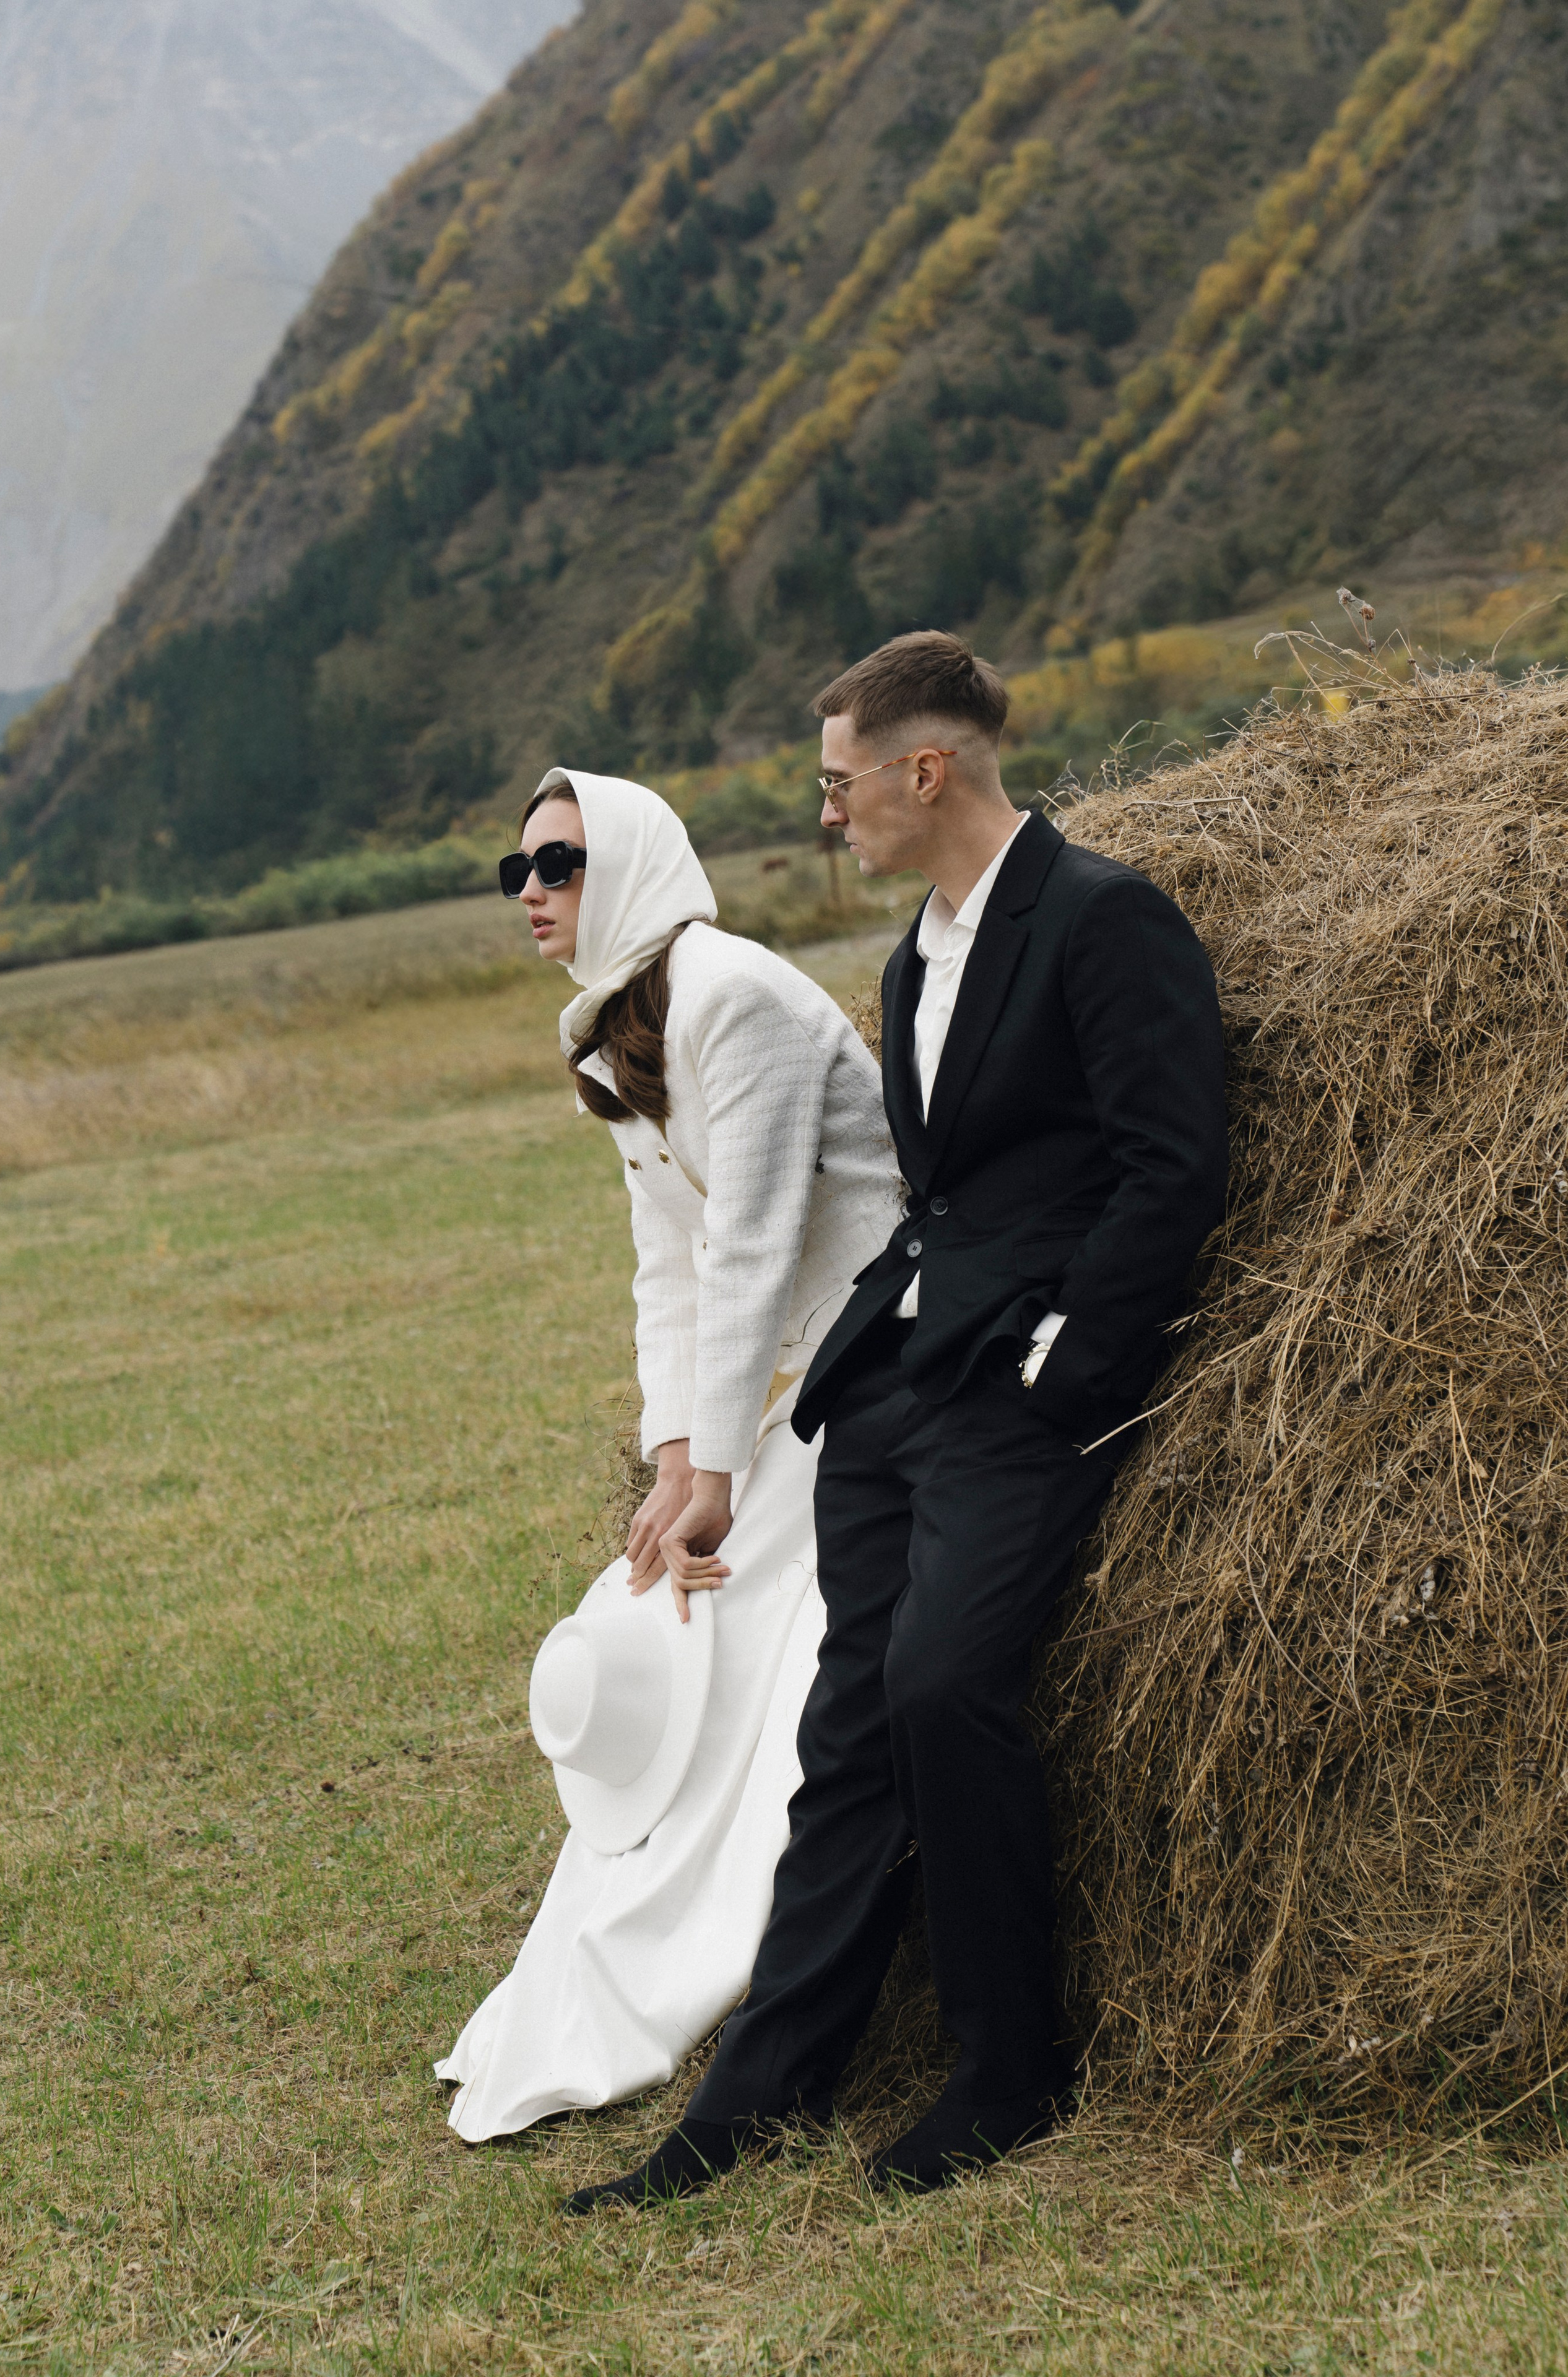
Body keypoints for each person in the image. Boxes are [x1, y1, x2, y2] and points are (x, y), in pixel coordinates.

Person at [566, 632, 1229, 2210]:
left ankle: (1010, 2069)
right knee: (847, 1728)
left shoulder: (1103, 918)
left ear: (922, 770)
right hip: (894, 1384)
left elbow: (1171, 1166)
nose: (825, 813)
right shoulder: (911, 959)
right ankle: (760, 2092)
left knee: (942, 1683)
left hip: (1021, 1386)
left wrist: (1063, 1358)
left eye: (837, 781)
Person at [435, 768, 901, 2141]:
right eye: (517, 871)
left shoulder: (731, 995)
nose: (532, 892)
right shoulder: (617, 1026)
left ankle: (692, 1957)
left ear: (631, 862)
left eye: (560, 863)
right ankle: (600, 1957)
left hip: (871, 1354)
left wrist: (722, 1482)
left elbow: (751, 1242)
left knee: (743, 1622)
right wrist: (674, 1456)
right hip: (780, 1375)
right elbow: (667, 1265)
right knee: (664, 1603)